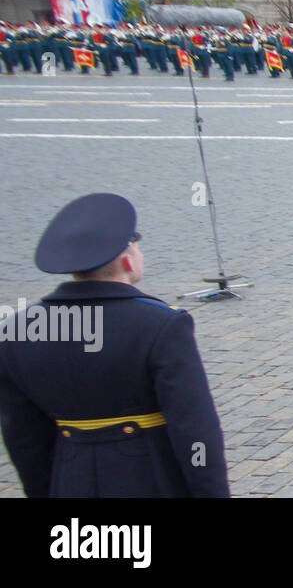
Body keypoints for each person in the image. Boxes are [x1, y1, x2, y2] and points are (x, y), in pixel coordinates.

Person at [0, 194, 229, 497]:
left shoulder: (17, 331)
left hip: (70, 481)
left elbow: (24, 438)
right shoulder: (161, 325)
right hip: (152, 480)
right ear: (127, 260)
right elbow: (195, 432)